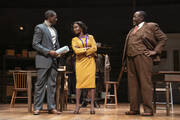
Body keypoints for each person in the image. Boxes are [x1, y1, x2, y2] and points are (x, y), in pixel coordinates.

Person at [122, 11, 168, 116]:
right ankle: (134, 108)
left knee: (145, 83)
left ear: (142, 17)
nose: (133, 18)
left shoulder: (151, 26)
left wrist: (155, 51)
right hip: (130, 58)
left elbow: (163, 38)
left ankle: (148, 109)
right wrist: (125, 62)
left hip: (143, 57)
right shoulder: (132, 30)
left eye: (135, 16)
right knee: (132, 85)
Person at [32, 10, 61, 115]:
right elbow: (35, 44)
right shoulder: (40, 27)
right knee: (40, 85)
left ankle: (51, 107)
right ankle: (37, 108)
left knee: (52, 85)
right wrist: (49, 52)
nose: (56, 19)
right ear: (49, 17)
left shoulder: (54, 30)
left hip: (53, 61)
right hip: (43, 60)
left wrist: (59, 52)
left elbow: (55, 44)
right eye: (55, 17)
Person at [71, 21, 97, 114]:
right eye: (74, 28)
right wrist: (87, 50)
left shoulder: (91, 37)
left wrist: (83, 51)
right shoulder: (74, 39)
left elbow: (95, 48)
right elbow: (76, 51)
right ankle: (77, 106)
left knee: (91, 84)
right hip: (80, 63)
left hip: (90, 62)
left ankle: (92, 106)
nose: (75, 29)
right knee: (79, 84)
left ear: (81, 27)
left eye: (76, 27)